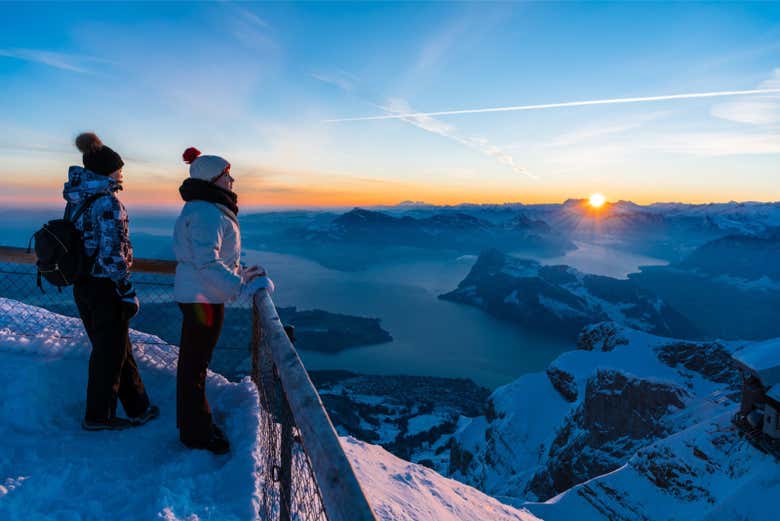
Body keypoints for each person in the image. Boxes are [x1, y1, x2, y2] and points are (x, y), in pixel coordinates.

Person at [173, 146, 271, 454]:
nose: (232, 179)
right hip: (202, 298)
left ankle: (193, 424)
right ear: (213, 179)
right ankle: (196, 432)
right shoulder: (206, 213)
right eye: (226, 174)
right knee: (195, 365)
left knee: (194, 363)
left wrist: (240, 274)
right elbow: (207, 263)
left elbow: (213, 261)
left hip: (199, 294)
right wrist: (240, 288)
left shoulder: (204, 208)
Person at [65, 132, 159, 431]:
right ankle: (98, 416)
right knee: (109, 353)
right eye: (119, 169)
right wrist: (126, 289)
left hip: (83, 285)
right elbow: (112, 254)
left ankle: (138, 407)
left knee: (117, 348)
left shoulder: (77, 200)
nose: (122, 173)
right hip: (105, 287)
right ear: (108, 172)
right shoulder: (108, 204)